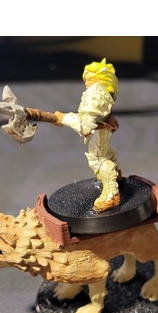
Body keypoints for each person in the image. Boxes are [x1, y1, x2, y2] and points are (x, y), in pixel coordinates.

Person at [55, 59, 121, 212]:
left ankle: (111, 194)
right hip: (102, 130)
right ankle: (116, 173)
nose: (86, 82)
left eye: (88, 78)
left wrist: (63, 118)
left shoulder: (95, 94)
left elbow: (84, 124)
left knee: (98, 159)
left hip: (98, 132)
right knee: (106, 151)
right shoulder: (105, 92)